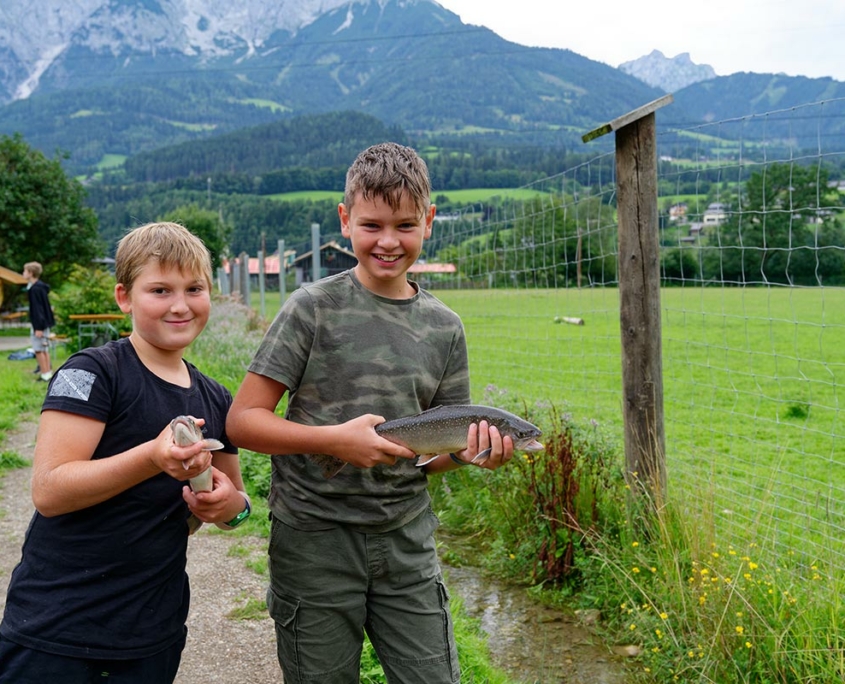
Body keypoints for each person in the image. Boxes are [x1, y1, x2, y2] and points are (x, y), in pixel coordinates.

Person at [226, 141, 515, 684]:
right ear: (345, 220)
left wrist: (472, 457)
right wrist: (334, 441)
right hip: (314, 542)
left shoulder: (445, 327)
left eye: (405, 225)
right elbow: (243, 423)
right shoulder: (310, 308)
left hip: (406, 542)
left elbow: (434, 457)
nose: (388, 241)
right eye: (371, 225)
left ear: (429, 221)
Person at [0, 222, 250, 684]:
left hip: (153, 630)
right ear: (124, 297)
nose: (180, 304)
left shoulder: (216, 398)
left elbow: (236, 502)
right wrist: (150, 459)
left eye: (195, 288)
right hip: (56, 627)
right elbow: (49, 491)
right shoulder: (94, 373)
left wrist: (228, 506)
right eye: (159, 289)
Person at [22, 261, 56, 382]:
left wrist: (38, 328)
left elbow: (38, 310)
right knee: (44, 349)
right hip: (44, 323)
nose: (23, 273)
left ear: (31, 273)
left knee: (38, 350)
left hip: (39, 324)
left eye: (25, 271)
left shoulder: (34, 289)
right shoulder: (41, 287)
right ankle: (48, 373)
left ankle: (45, 374)